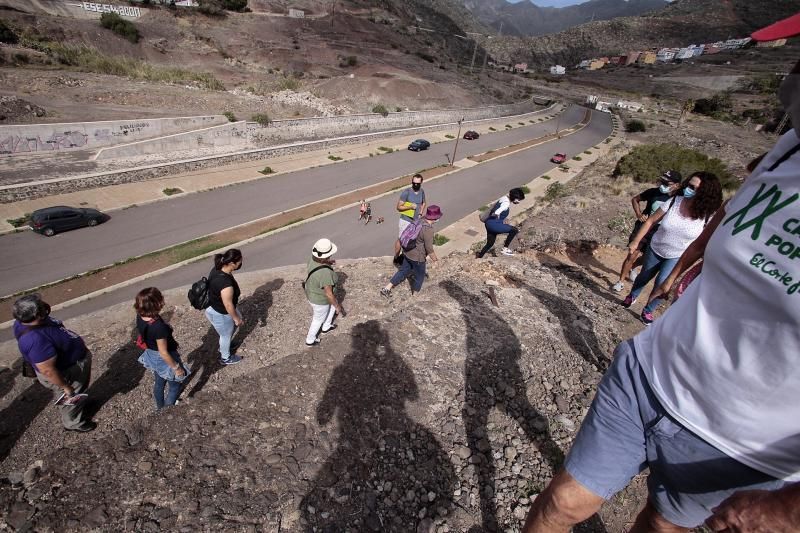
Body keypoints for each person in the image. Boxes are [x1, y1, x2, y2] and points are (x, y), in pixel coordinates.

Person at [523, 21, 800, 531]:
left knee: (659, 525)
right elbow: (719, 233)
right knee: (562, 504)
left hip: (739, 444)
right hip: (649, 374)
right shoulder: (787, 150)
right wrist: (686, 268)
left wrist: (790, 507)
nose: (793, 70)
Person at [622, 172, 722, 324]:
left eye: (693, 187)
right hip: (656, 247)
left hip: (677, 255)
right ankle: (632, 295)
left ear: (704, 193)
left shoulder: (707, 216)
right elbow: (650, 222)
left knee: (663, 283)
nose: (688, 189)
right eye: (688, 185)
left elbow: (705, 241)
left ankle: (648, 310)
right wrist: (636, 241)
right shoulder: (674, 201)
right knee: (644, 276)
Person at [12, 294, 95, 432]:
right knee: (71, 398)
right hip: (67, 372)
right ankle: (73, 423)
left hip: (72, 363)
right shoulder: (35, 340)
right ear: (37, 314)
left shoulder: (27, 322)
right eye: (41, 306)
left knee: (79, 391)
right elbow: (48, 370)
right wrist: (66, 387)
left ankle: (81, 404)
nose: (45, 306)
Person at [611, 170, 682, 292]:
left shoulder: (678, 200)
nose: (663, 185)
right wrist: (639, 214)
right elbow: (635, 199)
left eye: (667, 183)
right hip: (642, 227)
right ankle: (620, 281)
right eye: (662, 182)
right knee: (632, 254)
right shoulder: (653, 192)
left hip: (659, 231)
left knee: (646, 258)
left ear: (677, 185)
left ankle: (633, 268)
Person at [135, 287, 188, 411]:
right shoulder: (159, 327)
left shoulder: (140, 316)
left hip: (151, 354)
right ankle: (166, 411)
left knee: (159, 383)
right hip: (164, 357)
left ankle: (159, 408)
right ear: (156, 303)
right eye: (160, 298)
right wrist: (177, 368)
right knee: (174, 385)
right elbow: (164, 352)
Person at [381, 205, 441, 298]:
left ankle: (387, 288)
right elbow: (429, 249)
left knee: (403, 271)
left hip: (407, 252)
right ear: (435, 218)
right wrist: (435, 260)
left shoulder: (419, 220)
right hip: (418, 258)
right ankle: (415, 296)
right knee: (420, 276)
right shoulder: (428, 229)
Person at [205, 248, 244, 365]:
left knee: (226, 332)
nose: (241, 263)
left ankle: (224, 345)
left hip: (213, 308)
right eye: (239, 262)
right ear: (232, 263)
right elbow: (228, 304)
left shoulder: (218, 269)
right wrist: (236, 319)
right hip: (220, 313)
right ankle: (225, 357)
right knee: (225, 335)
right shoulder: (225, 284)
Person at [304, 238, 344, 347]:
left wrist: (327, 262)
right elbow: (329, 294)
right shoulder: (325, 273)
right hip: (319, 300)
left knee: (330, 308)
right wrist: (337, 306)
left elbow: (317, 266)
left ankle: (326, 326)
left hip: (312, 291)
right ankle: (310, 340)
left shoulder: (312, 259)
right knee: (318, 319)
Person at [476, 187, 525, 258]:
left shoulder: (504, 198)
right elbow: (496, 212)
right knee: (514, 230)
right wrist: (497, 216)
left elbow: (496, 210)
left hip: (488, 223)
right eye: (519, 200)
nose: (519, 202)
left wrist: (502, 219)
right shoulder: (506, 203)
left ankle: (479, 257)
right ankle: (505, 249)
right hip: (494, 224)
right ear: (516, 198)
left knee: (490, 244)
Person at [394, 173, 426, 262]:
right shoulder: (406, 192)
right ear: (412, 182)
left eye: (417, 183)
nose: (415, 185)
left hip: (416, 221)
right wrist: (410, 207)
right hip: (405, 220)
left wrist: (420, 213)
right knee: (401, 240)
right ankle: (396, 257)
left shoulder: (422, 191)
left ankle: (405, 257)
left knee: (411, 241)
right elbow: (398, 207)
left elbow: (424, 203)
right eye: (414, 183)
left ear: (421, 183)